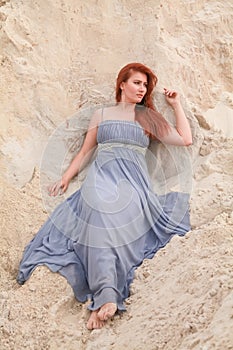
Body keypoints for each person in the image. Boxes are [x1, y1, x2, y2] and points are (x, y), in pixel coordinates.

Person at [17, 62, 193, 330]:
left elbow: (184, 139)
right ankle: (105, 295)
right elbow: (86, 151)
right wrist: (65, 178)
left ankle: (103, 299)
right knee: (98, 215)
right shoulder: (101, 114)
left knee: (120, 227)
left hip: (133, 185)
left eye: (145, 85)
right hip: (101, 180)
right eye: (136, 82)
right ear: (122, 84)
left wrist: (176, 105)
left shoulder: (147, 117)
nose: (141, 88)